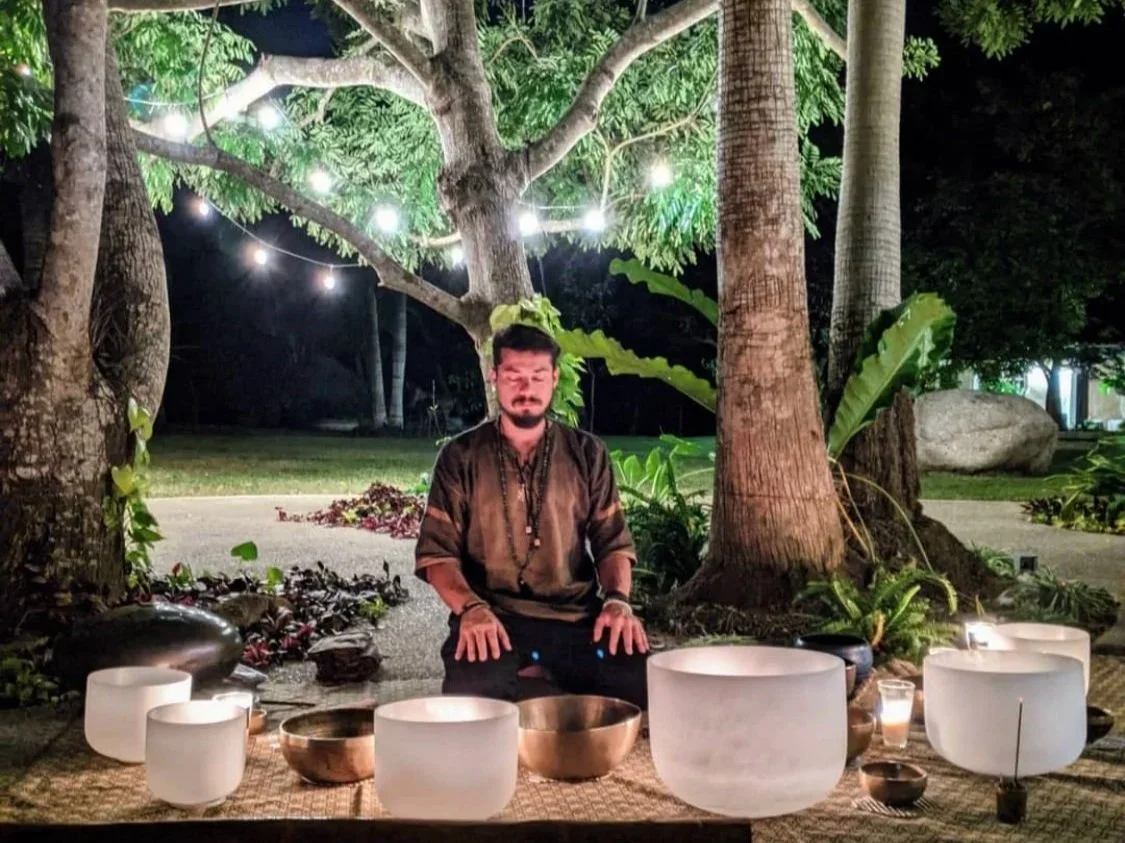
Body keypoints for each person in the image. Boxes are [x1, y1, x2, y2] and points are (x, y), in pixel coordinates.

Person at [414, 323, 650, 708]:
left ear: (554, 378)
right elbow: (438, 556)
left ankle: (541, 667)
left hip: (575, 619)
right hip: (494, 617)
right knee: (473, 698)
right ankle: (531, 667)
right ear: (494, 379)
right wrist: (471, 610)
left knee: (638, 680)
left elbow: (613, 543)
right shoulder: (461, 456)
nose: (526, 389)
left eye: (538, 376)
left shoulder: (587, 453)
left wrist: (618, 601)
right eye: (514, 376)